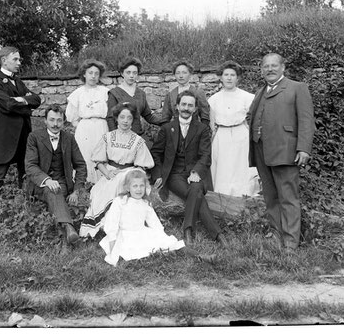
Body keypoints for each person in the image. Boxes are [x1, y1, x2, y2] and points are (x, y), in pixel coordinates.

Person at [248, 53, 315, 251]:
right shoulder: (261, 91)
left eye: (274, 65)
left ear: (283, 67)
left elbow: (306, 120)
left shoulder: (297, 88)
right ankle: (276, 236)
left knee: (288, 198)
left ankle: (291, 243)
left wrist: (303, 148)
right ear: (261, 70)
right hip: (261, 151)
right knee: (271, 197)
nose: (270, 69)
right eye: (266, 66)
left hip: (286, 152)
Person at [151, 90, 229, 247]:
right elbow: (156, 153)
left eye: (190, 105)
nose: (186, 108)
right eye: (184, 104)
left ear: (195, 109)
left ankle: (188, 230)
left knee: (195, 190)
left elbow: (206, 155)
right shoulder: (167, 128)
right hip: (174, 174)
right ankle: (218, 234)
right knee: (195, 193)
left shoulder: (201, 129)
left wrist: (196, 172)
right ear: (177, 106)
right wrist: (158, 174)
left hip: (195, 174)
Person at [0, 46, 41, 219]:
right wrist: (26, 107)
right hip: (6, 137)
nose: (19, 63)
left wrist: (21, 100)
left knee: (26, 172)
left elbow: (36, 100)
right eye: (15, 59)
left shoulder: (18, 82)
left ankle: (27, 211)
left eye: (19, 59)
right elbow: (6, 105)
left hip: (24, 135)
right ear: (3, 60)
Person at [79, 102, 155, 238]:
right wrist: (107, 173)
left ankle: (124, 227)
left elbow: (140, 167)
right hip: (110, 173)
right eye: (122, 117)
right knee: (101, 192)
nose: (125, 121)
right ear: (116, 118)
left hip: (129, 173)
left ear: (133, 120)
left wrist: (130, 175)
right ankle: (104, 226)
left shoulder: (137, 141)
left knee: (123, 183)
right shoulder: (108, 137)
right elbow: (99, 161)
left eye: (129, 118)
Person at [25, 105, 87, 253]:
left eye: (59, 120)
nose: (55, 124)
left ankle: (65, 234)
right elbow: (30, 166)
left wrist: (77, 191)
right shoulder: (34, 137)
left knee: (57, 190)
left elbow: (81, 165)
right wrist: (46, 180)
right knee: (53, 190)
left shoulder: (69, 138)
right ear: (45, 121)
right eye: (51, 120)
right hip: (40, 184)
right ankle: (69, 227)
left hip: (62, 182)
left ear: (64, 122)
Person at [99, 170, 185, 266]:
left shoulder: (145, 203)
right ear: (128, 187)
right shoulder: (120, 201)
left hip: (141, 232)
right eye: (135, 186)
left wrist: (162, 236)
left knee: (164, 244)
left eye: (141, 186)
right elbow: (112, 223)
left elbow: (154, 222)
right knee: (130, 252)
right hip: (125, 234)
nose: (139, 189)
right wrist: (112, 248)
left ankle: (189, 252)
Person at [208, 61, 260, 197]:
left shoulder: (247, 97)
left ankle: (243, 196)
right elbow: (212, 123)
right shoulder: (214, 99)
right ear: (221, 77)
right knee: (223, 168)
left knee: (240, 167)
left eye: (233, 75)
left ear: (238, 78)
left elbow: (253, 120)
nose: (229, 78)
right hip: (222, 137)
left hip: (240, 135)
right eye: (226, 75)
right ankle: (222, 197)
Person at [65, 59, 110, 184]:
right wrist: (82, 126)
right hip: (84, 128)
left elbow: (112, 112)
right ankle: (83, 186)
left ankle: (102, 186)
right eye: (90, 73)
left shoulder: (105, 92)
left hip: (102, 126)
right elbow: (72, 117)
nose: (93, 76)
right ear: (84, 74)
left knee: (101, 156)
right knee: (85, 155)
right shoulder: (77, 93)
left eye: (96, 73)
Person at [106, 56, 162, 140]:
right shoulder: (114, 93)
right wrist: (115, 139)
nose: (131, 76)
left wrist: (166, 121)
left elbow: (148, 116)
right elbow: (110, 119)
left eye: (134, 73)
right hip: (121, 138)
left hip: (138, 137)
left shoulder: (141, 93)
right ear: (122, 73)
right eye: (128, 72)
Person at [161, 60, 210, 125]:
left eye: (184, 73)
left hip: (194, 129)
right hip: (176, 130)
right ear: (174, 75)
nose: (181, 76)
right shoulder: (170, 94)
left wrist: (203, 132)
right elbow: (165, 118)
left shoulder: (197, 92)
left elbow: (205, 117)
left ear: (190, 74)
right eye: (178, 73)